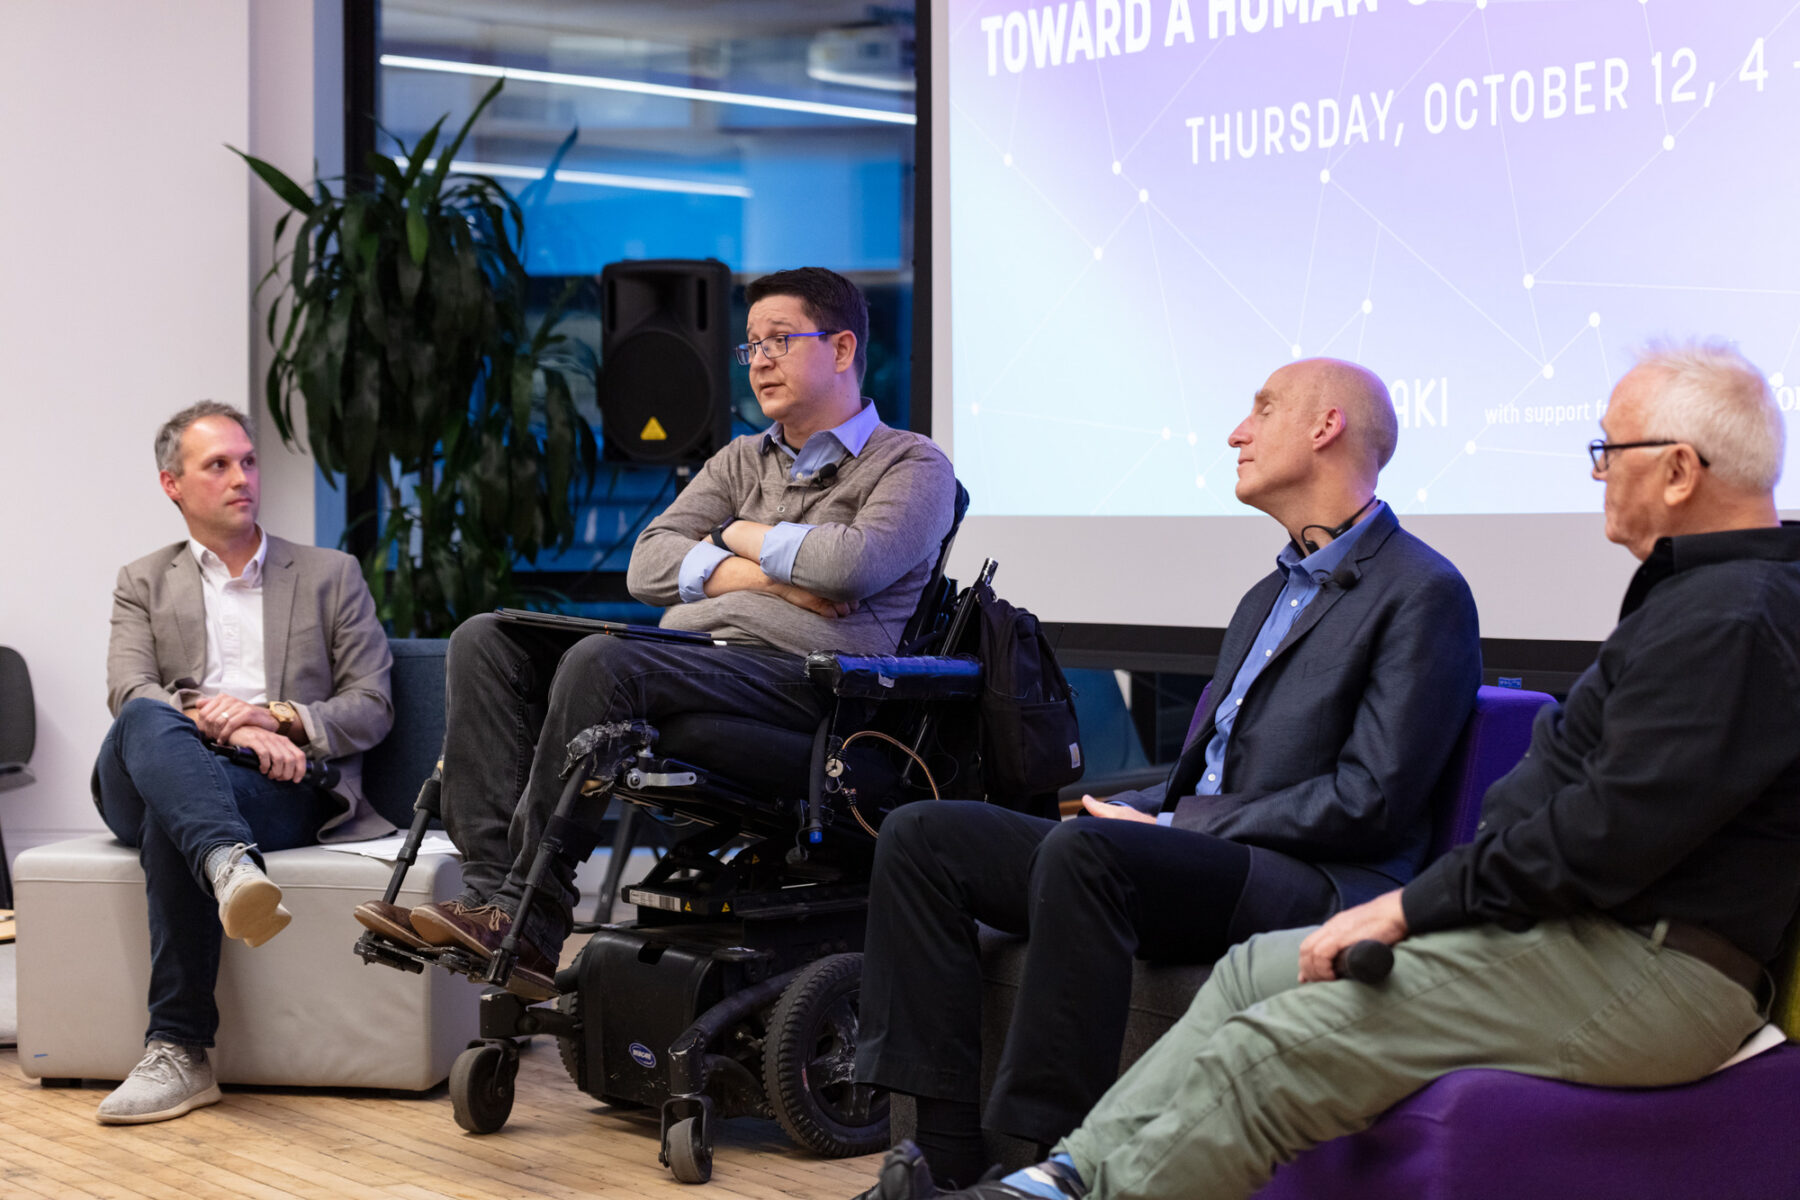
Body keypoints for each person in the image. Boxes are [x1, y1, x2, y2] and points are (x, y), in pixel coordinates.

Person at [859, 337, 1799, 1200]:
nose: (1598, 473)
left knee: (1278, 1043)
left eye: (1611, 451)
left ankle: (1047, 1183)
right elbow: (1557, 807)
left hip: (1643, 957)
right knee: (1238, 976)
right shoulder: (1695, 604)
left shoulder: (1734, 618)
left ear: (1679, 470)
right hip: (1579, 934)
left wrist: (1417, 903)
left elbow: (1593, 834)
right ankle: (1046, 1182)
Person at [852, 357, 1483, 1189]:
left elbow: (1371, 801)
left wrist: (1177, 827)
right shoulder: (1270, 591)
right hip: (1205, 852)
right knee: (924, 835)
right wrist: (1128, 808)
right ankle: (940, 1156)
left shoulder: (1424, 591)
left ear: (1327, 426)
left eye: (1261, 409)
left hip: (1320, 878)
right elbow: (1209, 767)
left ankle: (1027, 1165)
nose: (1236, 430)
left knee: (1090, 857)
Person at [354, 267, 957, 998]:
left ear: (840, 349)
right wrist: (770, 574)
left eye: (778, 340)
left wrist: (732, 532)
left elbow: (844, 566)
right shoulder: (741, 459)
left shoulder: (911, 463)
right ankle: (490, 899)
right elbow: (647, 563)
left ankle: (529, 915)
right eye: (751, 346)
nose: (759, 358)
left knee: (608, 664)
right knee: (488, 638)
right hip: (698, 658)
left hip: (814, 686)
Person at [94, 402, 393, 1125]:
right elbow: (128, 689)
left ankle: (179, 1052)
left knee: (181, 821)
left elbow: (372, 704)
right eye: (218, 465)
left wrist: (279, 718)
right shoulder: (142, 580)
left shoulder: (329, 574)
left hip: (278, 785)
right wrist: (222, 720)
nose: (242, 478)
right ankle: (230, 864)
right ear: (172, 483)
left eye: (249, 461)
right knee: (145, 716)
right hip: (159, 763)